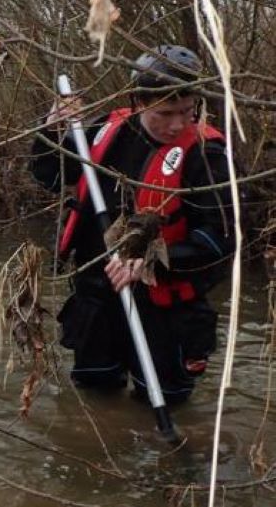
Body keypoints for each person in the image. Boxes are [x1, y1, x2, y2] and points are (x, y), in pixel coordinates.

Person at [30, 44, 235, 404]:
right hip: (97, 296)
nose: (177, 124)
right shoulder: (105, 130)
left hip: (163, 307)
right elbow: (50, 175)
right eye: (165, 113)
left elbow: (221, 238)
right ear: (139, 102)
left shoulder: (208, 155)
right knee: (95, 397)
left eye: (187, 111)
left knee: (166, 401)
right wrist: (50, 131)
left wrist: (152, 260)